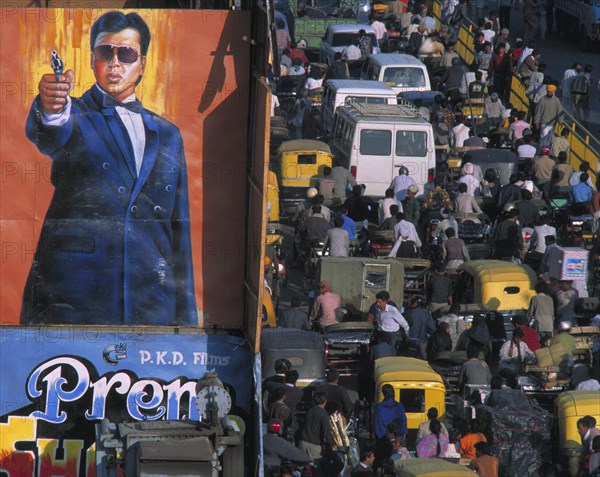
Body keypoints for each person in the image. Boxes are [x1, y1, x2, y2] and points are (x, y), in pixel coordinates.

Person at [22, 10, 197, 325]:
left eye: (126, 54)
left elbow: (178, 227)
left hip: (151, 302)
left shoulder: (168, 134)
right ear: (92, 60)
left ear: (142, 63)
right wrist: (51, 108)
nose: (115, 63)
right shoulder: (73, 115)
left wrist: (185, 322)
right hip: (76, 299)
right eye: (106, 53)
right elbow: (50, 132)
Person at [298, 392, 336, 463]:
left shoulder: (310, 410)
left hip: (302, 442)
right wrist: (333, 444)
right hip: (314, 446)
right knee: (315, 468)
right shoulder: (323, 413)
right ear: (325, 401)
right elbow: (327, 432)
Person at [534, 85, 563, 149]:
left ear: (552, 92)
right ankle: (542, 151)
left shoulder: (556, 101)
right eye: (548, 91)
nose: (549, 93)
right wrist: (537, 122)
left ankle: (547, 152)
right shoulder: (542, 100)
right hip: (544, 123)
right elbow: (538, 112)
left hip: (552, 124)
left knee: (550, 139)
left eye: (550, 92)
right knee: (543, 138)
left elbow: (559, 111)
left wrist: (560, 121)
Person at [571, 64, 593, 129]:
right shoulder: (590, 76)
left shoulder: (579, 74)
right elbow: (589, 85)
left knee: (576, 109)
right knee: (586, 109)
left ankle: (578, 123)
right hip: (584, 94)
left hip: (575, 93)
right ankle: (585, 122)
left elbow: (572, 81)